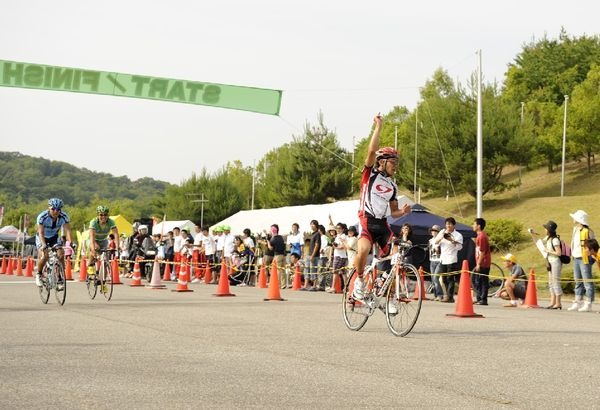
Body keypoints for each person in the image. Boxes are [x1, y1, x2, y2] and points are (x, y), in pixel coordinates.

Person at [353, 114, 411, 300]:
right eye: (393, 162)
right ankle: (360, 281)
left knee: (397, 259)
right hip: (366, 221)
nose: (396, 166)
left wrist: (402, 212)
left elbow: (393, 211)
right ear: (382, 162)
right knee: (363, 250)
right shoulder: (369, 175)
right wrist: (378, 127)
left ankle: (389, 296)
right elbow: (371, 151)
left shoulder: (392, 186)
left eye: (397, 163)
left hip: (382, 224)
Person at [34, 198, 73, 287]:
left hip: (54, 237)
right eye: (53, 209)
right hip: (42, 237)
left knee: (61, 254)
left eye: (58, 209)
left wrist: (71, 242)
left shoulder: (64, 217)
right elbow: (41, 232)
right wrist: (43, 244)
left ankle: (60, 278)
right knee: (45, 255)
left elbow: (68, 231)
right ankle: (39, 274)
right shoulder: (42, 217)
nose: (55, 211)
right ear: (49, 208)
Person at [528, 221, 563, 309]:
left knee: (556, 283)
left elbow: (559, 253)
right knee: (551, 283)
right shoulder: (548, 238)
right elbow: (539, 243)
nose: (544, 229)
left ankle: (558, 303)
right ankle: (552, 302)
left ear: (549, 230)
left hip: (555, 262)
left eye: (546, 228)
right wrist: (533, 234)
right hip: (550, 262)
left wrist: (548, 251)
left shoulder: (555, 240)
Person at [567, 210, 595, 312]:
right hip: (576, 257)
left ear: (579, 219)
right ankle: (577, 302)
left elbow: (593, 245)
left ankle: (588, 303)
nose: (573, 219)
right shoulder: (575, 229)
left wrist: (591, 257)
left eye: (574, 217)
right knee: (578, 281)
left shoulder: (588, 231)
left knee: (587, 282)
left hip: (585, 259)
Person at [434, 217, 463, 303]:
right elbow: (435, 242)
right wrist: (442, 237)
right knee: (444, 279)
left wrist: (452, 240)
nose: (448, 226)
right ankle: (448, 295)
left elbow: (460, 247)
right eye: (447, 224)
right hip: (443, 258)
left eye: (450, 224)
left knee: (450, 278)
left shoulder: (458, 235)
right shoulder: (442, 231)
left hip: (452, 259)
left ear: (454, 225)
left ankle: (449, 296)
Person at [87, 205, 119, 281]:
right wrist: (93, 247)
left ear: (108, 215)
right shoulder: (94, 222)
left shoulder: (111, 222)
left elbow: (116, 234)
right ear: (97, 215)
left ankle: (103, 279)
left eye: (105, 214)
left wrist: (117, 247)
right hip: (93, 239)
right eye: (101, 215)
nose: (103, 216)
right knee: (94, 249)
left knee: (105, 259)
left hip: (103, 240)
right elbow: (91, 237)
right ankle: (90, 266)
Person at [472, 217, 491, 305]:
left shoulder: (482, 236)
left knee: (483, 281)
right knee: (477, 281)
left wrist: (479, 264)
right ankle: (479, 298)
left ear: (478, 226)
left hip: (483, 263)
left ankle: (483, 299)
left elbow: (483, 252)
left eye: (474, 224)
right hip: (480, 262)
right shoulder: (479, 236)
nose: (473, 226)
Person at [327, 223, 348, 293]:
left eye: (339, 228)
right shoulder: (338, 236)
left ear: (342, 229)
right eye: (337, 228)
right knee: (343, 273)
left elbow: (342, 246)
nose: (338, 230)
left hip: (340, 256)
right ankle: (346, 288)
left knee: (335, 272)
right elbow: (336, 245)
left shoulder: (343, 236)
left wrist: (336, 247)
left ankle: (333, 288)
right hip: (341, 256)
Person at [303, 220, 321, 291]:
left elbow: (317, 245)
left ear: (316, 225)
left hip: (314, 255)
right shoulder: (312, 234)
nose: (312, 226)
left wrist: (313, 255)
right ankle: (305, 285)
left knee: (313, 270)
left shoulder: (317, 234)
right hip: (308, 254)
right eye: (311, 224)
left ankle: (314, 285)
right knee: (306, 269)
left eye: (313, 224)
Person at [428, 224, 444, 301]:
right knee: (433, 279)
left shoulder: (441, 240)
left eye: (435, 230)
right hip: (432, 260)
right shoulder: (430, 240)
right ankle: (436, 295)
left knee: (435, 278)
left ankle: (440, 295)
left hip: (439, 260)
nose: (433, 232)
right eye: (432, 230)